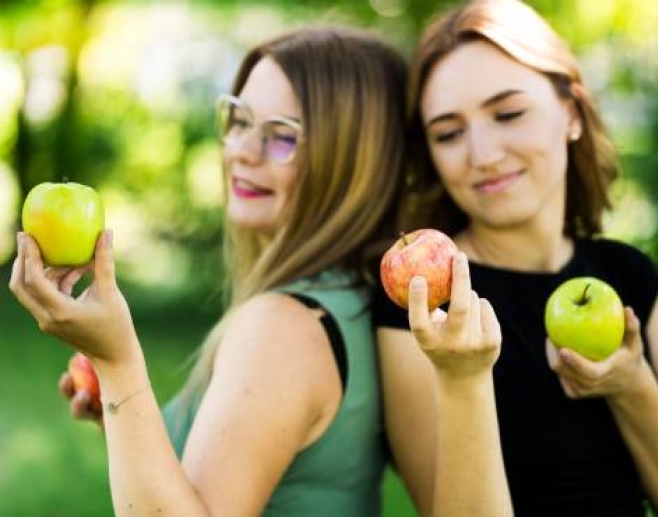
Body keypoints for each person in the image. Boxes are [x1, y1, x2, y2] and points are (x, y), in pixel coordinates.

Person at [10, 26, 409, 516]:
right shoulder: (347, 299)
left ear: (352, 163)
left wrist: (117, 362)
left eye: (282, 135)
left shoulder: (281, 327)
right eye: (238, 119)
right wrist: (121, 413)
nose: (241, 149)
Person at [374, 1, 658, 515]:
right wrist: (463, 376)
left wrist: (631, 383)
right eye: (449, 133)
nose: (484, 153)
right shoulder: (427, 305)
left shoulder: (629, 275)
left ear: (572, 115)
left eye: (508, 114)